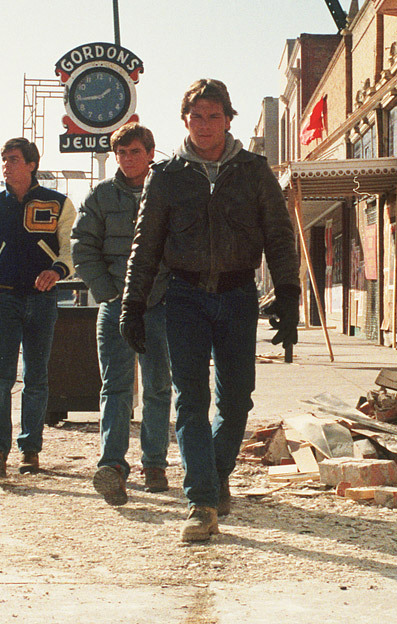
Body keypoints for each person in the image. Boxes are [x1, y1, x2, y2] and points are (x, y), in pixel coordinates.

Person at [121, 79, 300, 541]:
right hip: (184, 297)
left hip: (239, 297)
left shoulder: (254, 172)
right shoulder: (167, 176)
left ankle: (217, 472)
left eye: (213, 116)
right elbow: (145, 246)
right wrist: (132, 303)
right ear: (185, 121)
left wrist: (288, 295)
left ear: (228, 119)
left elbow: (280, 237)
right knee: (191, 400)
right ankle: (201, 501)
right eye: (196, 117)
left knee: (237, 399)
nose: (204, 126)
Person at [71, 123, 172, 506]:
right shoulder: (99, 198)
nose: (128, 159)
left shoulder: (167, 194)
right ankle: (112, 466)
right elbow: (82, 248)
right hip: (114, 306)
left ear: (150, 153)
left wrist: (166, 291)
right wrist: (109, 294)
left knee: (158, 386)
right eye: (122, 153)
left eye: (135, 152)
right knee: (115, 388)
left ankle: (155, 464)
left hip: (158, 305)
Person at [0, 137, 76, 477]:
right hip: (3, 298)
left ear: (31, 164)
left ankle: (30, 450)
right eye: (4, 159)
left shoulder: (59, 204)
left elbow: (71, 251)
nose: (6, 166)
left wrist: (56, 271)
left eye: (13, 159)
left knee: (36, 377)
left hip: (42, 301)